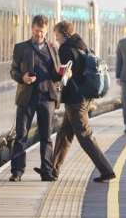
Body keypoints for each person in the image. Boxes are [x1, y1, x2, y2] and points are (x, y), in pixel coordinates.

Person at [50, 21, 117, 183]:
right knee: (64, 134)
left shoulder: (66, 50)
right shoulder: (82, 45)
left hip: (75, 99)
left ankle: (106, 170)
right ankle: (52, 170)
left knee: (85, 136)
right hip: (81, 96)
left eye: (58, 35)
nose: (57, 39)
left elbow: (60, 74)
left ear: (65, 35)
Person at [9, 14, 63, 182]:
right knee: (21, 135)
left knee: (46, 137)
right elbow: (13, 70)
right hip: (27, 98)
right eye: (36, 30)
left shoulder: (53, 48)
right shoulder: (21, 48)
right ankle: (17, 171)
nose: (39, 34)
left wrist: (63, 73)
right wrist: (21, 77)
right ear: (32, 28)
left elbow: (55, 74)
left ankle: (46, 171)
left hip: (47, 98)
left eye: (42, 31)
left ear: (46, 31)